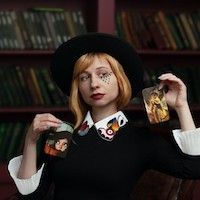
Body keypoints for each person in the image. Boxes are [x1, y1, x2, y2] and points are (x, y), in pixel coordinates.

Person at [8, 33, 200, 200]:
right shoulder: (61, 136)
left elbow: (194, 168)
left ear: (121, 80)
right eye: (84, 77)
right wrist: (31, 140)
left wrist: (181, 106)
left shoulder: (141, 140)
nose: (94, 84)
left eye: (104, 74)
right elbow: (31, 196)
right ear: (78, 88)